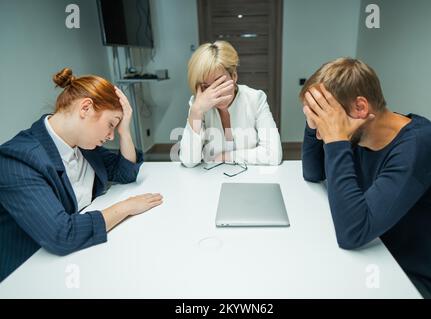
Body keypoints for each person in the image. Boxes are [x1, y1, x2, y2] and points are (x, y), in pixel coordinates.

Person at [300, 57, 431, 299]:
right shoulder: (361, 132)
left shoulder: (421, 146)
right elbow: (314, 173)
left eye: (327, 118)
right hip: (379, 252)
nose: (320, 134)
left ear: (360, 108)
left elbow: (353, 233)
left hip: (417, 278)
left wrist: (336, 141)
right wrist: (313, 124)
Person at [0, 68, 163, 282]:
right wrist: (125, 207)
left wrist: (125, 131)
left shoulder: (82, 145)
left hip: (80, 257)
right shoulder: (18, 160)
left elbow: (126, 172)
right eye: (111, 124)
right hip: (27, 273)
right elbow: (61, 234)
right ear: (85, 108)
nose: (110, 135)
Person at [179, 41, 282, 167]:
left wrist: (226, 156)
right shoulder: (199, 105)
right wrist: (196, 112)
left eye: (220, 83)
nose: (215, 94)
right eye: (207, 87)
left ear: (234, 76)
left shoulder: (255, 99)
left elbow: (273, 154)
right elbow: (189, 161)